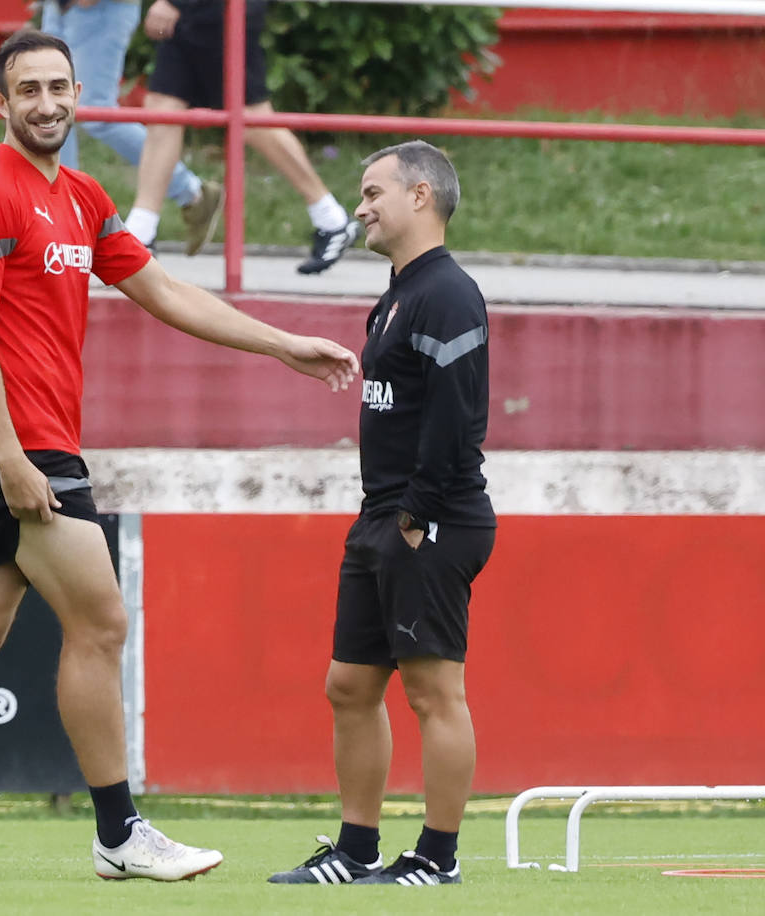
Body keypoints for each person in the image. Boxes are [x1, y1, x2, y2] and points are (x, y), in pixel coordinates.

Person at [0, 29, 360, 882]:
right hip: (20, 451)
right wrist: (14, 457)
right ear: (0, 104)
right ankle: (119, 834)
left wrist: (281, 344)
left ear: (78, 92)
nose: (48, 103)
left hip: (19, 449)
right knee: (101, 623)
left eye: (60, 86)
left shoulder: (85, 196)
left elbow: (161, 290)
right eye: (29, 91)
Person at [268, 140, 495, 888]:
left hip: (428, 520)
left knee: (434, 691)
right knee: (349, 685)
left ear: (421, 196)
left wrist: (416, 514)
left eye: (372, 193)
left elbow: (460, 422)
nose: (359, 207)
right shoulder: (396, 292)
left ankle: (438, 858)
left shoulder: (448, 293)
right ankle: (357, 850)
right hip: (382, 518)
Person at [129, 0, 361, 274]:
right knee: (163, 109)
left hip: (224, 11)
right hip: (192, 15)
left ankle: (331, 218)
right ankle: (141, 232)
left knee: (251, 118)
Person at [39, 0, 224, 255]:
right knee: (54, 107)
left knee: (94, 112)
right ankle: (61, 216)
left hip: (101, 7)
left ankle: (190, 190)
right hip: (61, 6)